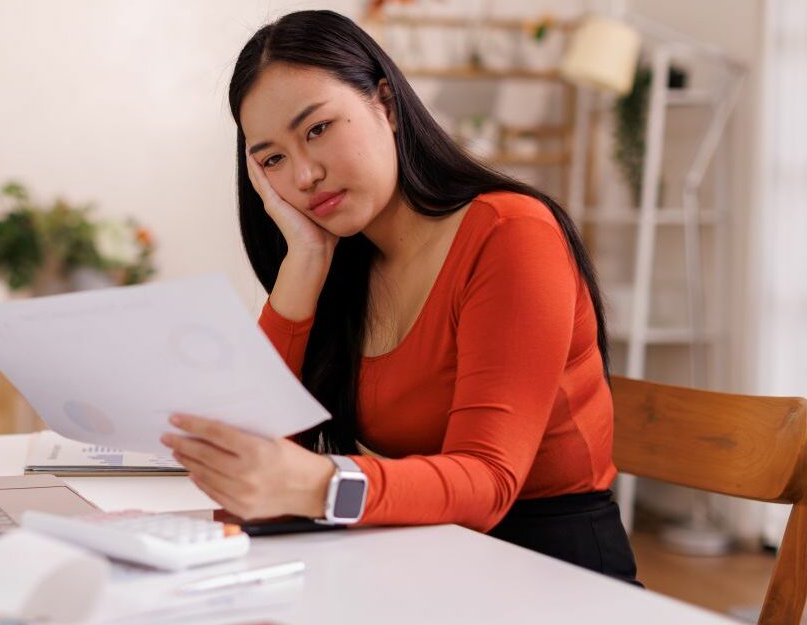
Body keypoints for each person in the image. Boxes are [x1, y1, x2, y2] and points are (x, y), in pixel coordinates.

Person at [159, 9, 640, 585]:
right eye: (273, 159)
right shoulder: (347, 260)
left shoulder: (510, 233)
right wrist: (305, 261)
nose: (305, 175)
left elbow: (488, 481)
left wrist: (319, 483)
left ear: (385, 103)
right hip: (423, 558)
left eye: (317, 129)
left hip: (553, 574)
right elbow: (251, 464)